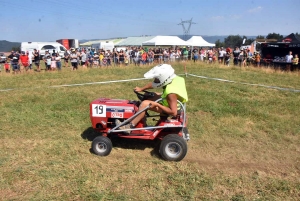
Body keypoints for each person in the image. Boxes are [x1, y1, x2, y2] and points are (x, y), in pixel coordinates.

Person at [116, 64, 188, 134]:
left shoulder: (170, 93)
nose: (155, 80)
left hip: (172, 108)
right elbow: (154, 84)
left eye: (157, 79)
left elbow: (173, 112)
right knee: (149, 95)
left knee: (144, 104)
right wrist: (141, 89)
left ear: (164, 78)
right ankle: (141, 116)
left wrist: (157, 104)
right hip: (173, 101)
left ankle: (130, 126)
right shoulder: (176, 79)